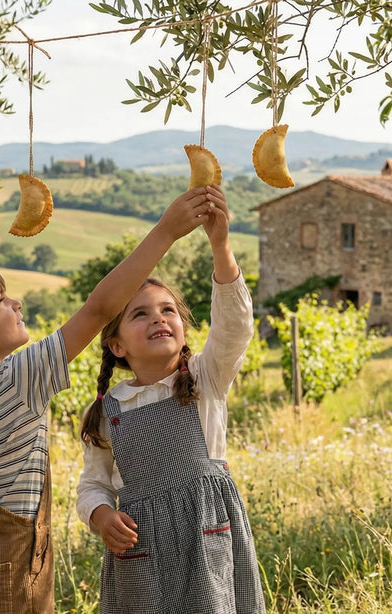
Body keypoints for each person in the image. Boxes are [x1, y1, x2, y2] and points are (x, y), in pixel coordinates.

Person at [0, 186, 219, 614]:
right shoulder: (16, 380)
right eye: (0, 301)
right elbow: (99, 310)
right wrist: (165, 232)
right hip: (7, 585)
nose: (16, 302)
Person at [76, 185, 265, 613]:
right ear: (117, 346)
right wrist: (102, 515)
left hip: (207, 539)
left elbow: (235, 327)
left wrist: (221, 246)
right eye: (140, 314)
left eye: (168, 310)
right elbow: (93, 484)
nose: (158, 318)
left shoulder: (204, 379)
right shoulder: (107, 411)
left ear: (182, 326)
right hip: (142, 552)